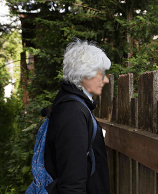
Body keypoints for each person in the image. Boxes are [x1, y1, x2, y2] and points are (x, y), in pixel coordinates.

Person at [44, 39, 111, 194]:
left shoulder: (72, 104)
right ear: (84, 75)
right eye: (101, 74)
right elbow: (72, 185)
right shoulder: (72, 113)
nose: (105, 80)